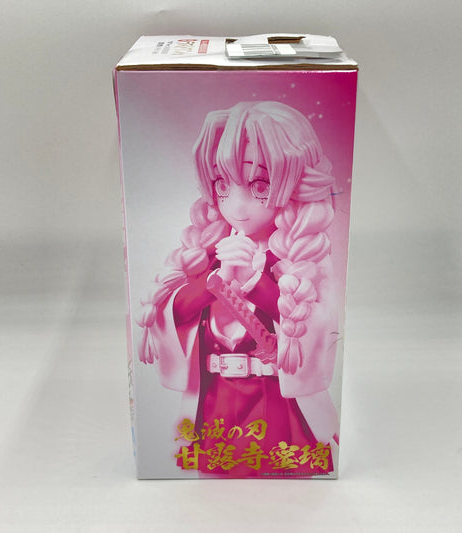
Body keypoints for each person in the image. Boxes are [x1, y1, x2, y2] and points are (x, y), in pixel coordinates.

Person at [137, 101, 340, 476]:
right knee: (214, 490)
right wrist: (216, 280)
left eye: (260, 185)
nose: (237, 205)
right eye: (222, 185)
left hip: (277, 407)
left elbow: (314, 329)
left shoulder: (301, 259)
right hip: (216, 402)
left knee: (287, 492)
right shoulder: (207, 253)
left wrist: (255, 282)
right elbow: (172, 313)